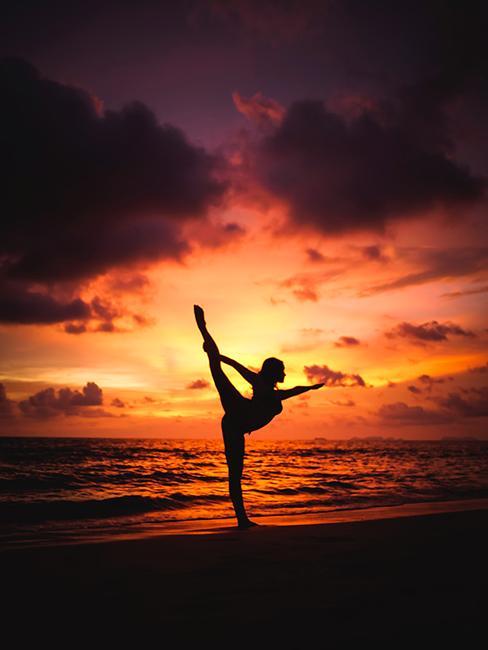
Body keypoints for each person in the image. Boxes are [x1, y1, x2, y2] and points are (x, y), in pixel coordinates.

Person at [194, 305, 324, 529]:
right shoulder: (260, 383)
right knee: (216, 368)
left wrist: (311, 388)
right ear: (274, 372)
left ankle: (242, 519)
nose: (284, 373)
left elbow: (294, 390)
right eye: (282, 370)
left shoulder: (276, 394)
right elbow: (238, 367)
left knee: (237, 474)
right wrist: (219, 356)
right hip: (236, 416)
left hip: (239, 421)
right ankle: (203, 328)